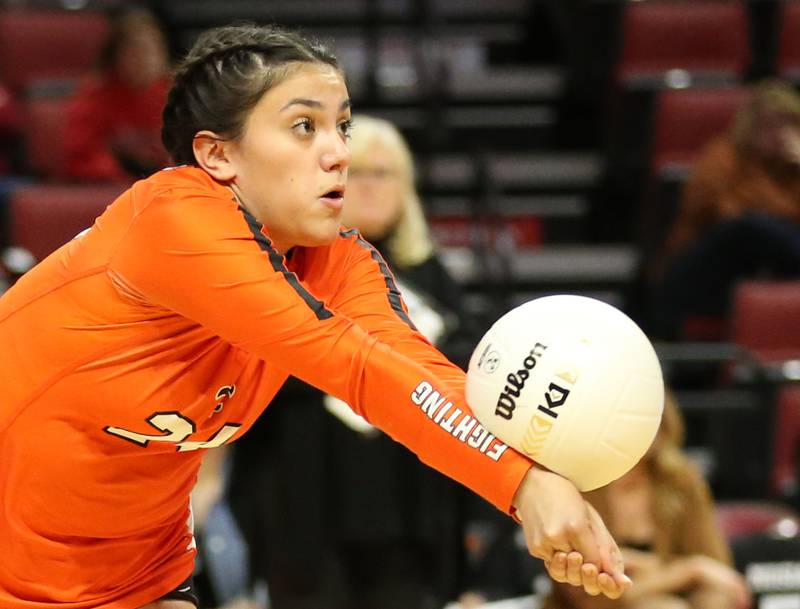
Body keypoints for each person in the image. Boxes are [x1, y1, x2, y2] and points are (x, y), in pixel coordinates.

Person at [0, 23, 630, 608]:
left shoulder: (340, 261)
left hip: (139, 573)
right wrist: (522, 485)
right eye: (305, 127)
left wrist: (536, 479)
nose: (337, 155)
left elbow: (412, 374)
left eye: (343, 127)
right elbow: (348, 363)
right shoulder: (173, 216)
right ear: (218, 155)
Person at [228, 113, 479, 609]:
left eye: (382, 174)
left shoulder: (432, 277)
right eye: (354, 172)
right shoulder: (283, 265)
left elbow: (462, 368)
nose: (367, 187)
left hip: (405, 503)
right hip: (303, 497)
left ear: (406, 187)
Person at [541, 392, 751, 609]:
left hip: (674, 595)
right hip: (594, 602)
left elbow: (718, 568)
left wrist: (645, 568)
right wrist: (689, 570)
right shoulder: (579, 482)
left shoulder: (682, 482)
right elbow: (583, 589)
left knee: (716, 599)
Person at [649, 79, 800, 339]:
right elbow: (726, 214)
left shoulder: (794, 169)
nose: (780, 133)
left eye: (788, 124)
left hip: (773, 268)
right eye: (770, 124)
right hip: (706, 273)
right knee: (749, 227)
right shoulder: (723, 156)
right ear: (749, 126)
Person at [62, 7, 171, 182]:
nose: (146, 59)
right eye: (136, 50)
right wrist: (125, 178)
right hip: (108, 189)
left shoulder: (172, 95)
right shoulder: (94, 97)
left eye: (153, 48)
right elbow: (80, 156)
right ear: (115, 56)